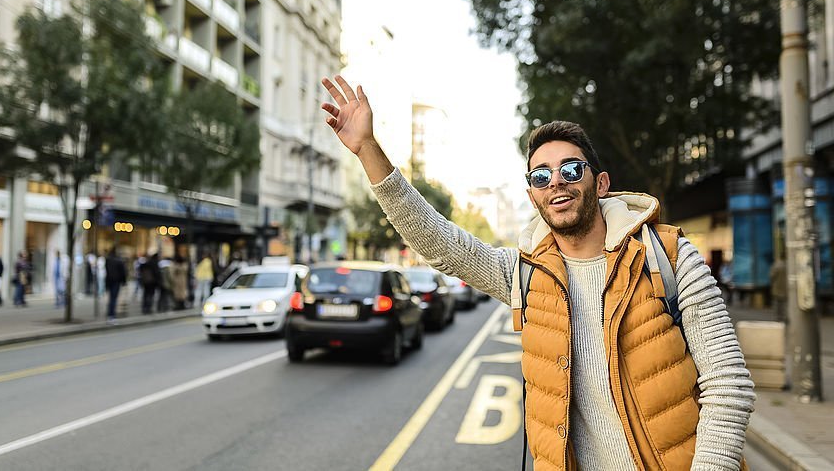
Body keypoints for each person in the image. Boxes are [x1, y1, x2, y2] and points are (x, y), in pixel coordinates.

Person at [320, 75, 755, 470]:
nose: (556, 183)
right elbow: (442, 245)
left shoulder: (670, 257)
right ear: (533, 196)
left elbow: (729, 385)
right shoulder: (527, 274)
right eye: (541, 176)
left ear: (600, 183)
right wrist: (367, 150)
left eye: (570, 170)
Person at [104, 246, 127, 322]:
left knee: (111, 297)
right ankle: (112, 314)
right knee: (113, 298)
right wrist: (124, 282)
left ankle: (110, 313)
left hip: (109, 280)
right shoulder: (119, 260)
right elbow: (123, 272)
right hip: (116, 281)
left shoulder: (108, 260)